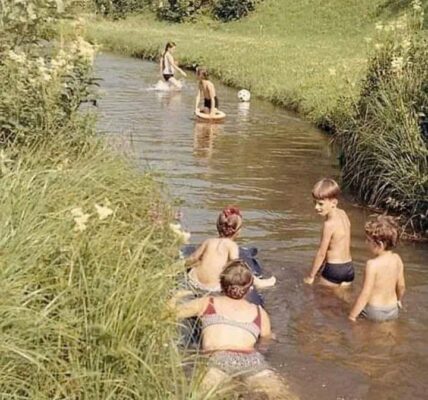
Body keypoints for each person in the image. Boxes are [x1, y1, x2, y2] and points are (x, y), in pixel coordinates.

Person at [171, 260, 297, 399]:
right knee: (282, 395)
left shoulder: (208, 303)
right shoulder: (259, 312)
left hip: (217, 358)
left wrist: (176, 297)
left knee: (199, 395)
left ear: (221, 285)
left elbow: (170, 313)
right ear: (250, 289)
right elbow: (265, 340)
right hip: (252, 360)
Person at [186, 207, 276, 294]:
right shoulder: (232, 246)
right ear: (238, 231)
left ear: (217, 225)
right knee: (240, 270)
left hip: (195, 280)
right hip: (214, 286)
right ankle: (259, 283)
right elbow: (236, 266)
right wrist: (252, 279)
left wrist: (181, 266)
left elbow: (193, 258)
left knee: (196, 266)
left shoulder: (208, 241)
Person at [349, 216, 405, 322]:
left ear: (379, 244)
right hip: (392, 309)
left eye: (369, 240)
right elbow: (401, 286)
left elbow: (365, 294)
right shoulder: (397, 259)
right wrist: (399, 300)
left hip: (374, 311)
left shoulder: (372, 264)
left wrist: (352, 316)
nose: (366, 243)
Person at [304, 178, 354, 287]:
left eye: (320, 204)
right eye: (315, 203)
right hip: (349, 268)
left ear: (334, 203)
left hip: (334, 270)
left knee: (323, 301)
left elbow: (321, 253)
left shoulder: (329, 224)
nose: (316, 207)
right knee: (343, 301)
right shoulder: (343, 214)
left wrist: (311, 276)